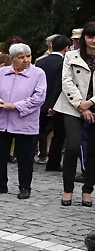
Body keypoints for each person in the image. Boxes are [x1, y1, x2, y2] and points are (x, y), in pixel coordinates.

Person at [0, 43, 46, 199]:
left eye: (28, 56)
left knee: (25, 156)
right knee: (1, 154)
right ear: (13, 59)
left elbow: (38, 97)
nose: (26, 60)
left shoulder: (38, 74)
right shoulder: (0, 74)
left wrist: (16, 106)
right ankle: (1, 183)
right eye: (21, 57)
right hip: (3, 121)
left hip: (24, 121)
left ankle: (25, 186)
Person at [55, 23, 95, 206]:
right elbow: (66, 81)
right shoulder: (71, 55)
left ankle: (88, 190)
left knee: (93, 151)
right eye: (90, 37)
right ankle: (68, 189)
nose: (93, 41)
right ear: (84, 38)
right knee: (72, 146)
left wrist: (91, 102)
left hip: (93, 103)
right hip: (72, 106)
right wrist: (81, 105)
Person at [36, 35, 71, 169]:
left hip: (41, 103)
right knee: (59, 134)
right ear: (66, 48)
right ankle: (53, 162)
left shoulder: (40, 62)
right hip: (58, 103)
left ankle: (33, 155)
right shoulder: (65, 63)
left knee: (36, 131)